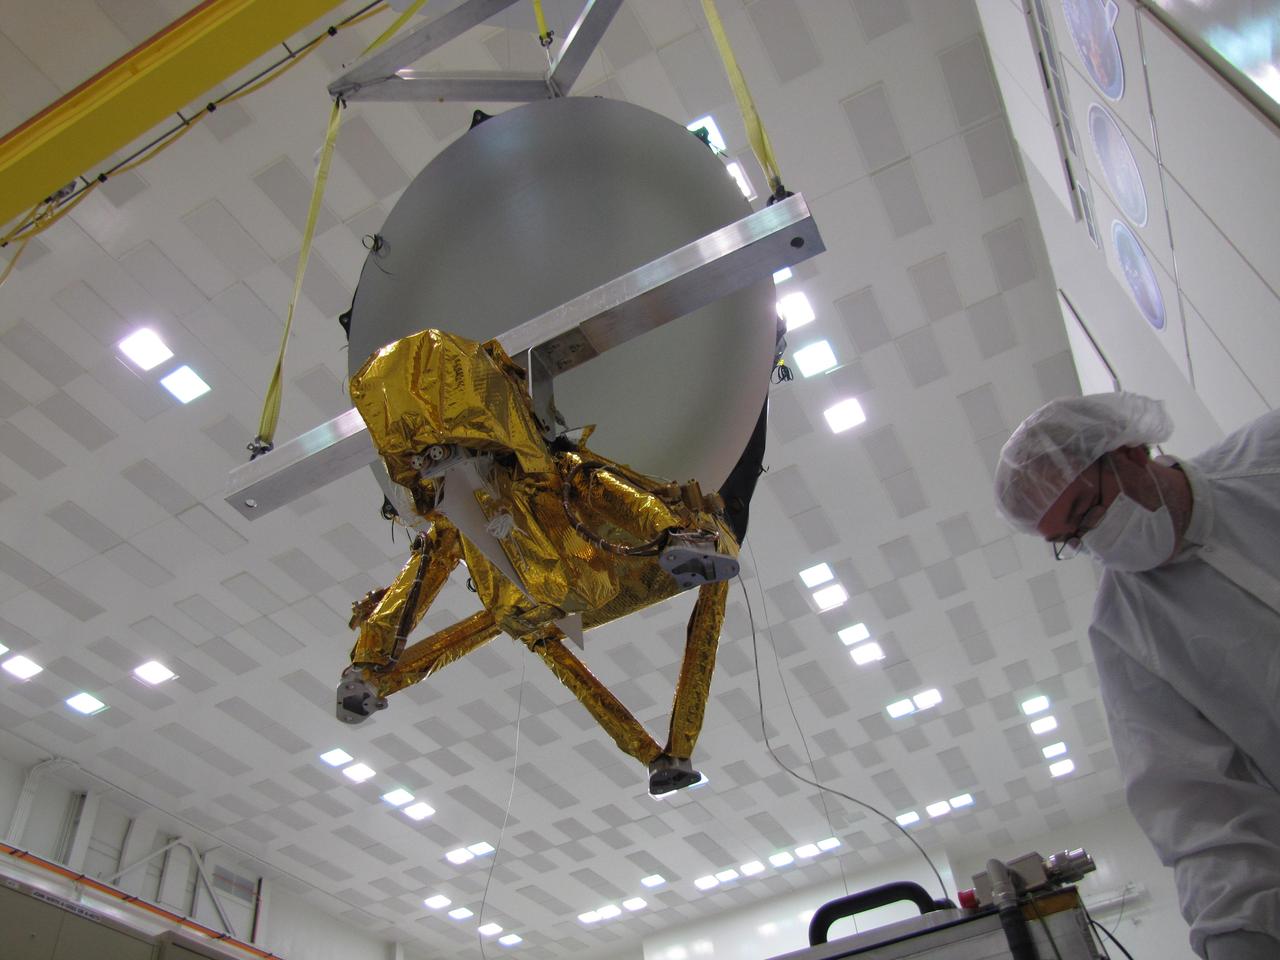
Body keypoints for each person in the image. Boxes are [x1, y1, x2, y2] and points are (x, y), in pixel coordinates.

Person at [994, 391, 1280, 960]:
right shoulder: (1124, 633)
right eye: (1069, 541)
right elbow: (1200, 810)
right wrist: (1238, 935)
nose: (1092, 543)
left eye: (1084, 513)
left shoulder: (1268, 458)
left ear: (1127, 450)